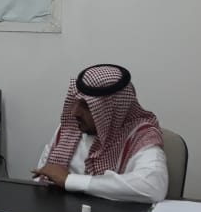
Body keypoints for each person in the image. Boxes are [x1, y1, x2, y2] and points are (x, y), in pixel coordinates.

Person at [31, 64, 167, 203]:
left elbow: (153, 187)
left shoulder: (141, 137)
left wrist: (69, 180)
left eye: (86, 105)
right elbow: (43, 177)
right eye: (76, 102)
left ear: (111, 110)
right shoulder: (69, 127)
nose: (74, 112)